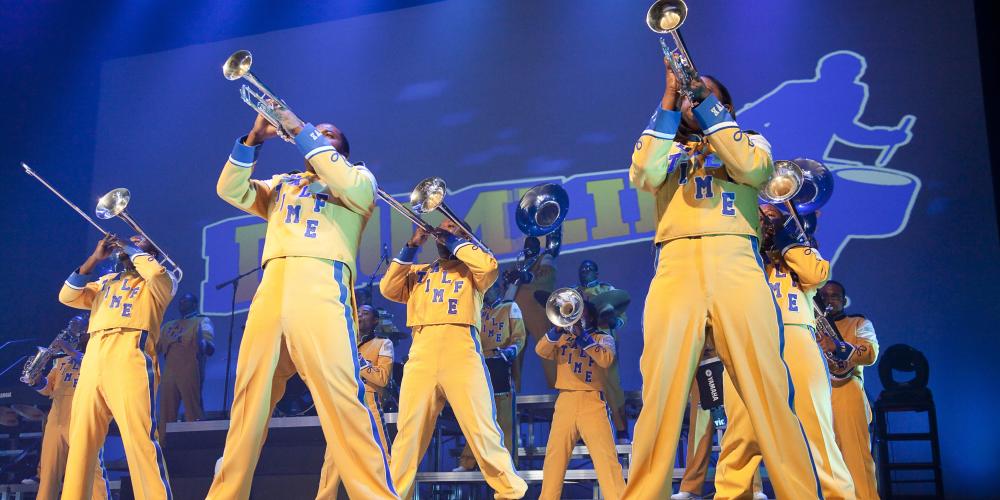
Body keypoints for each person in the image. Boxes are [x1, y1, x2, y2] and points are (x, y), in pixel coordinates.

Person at [622, 54, 821, 498]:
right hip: (675, 265)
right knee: (660, 395)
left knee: (768, 390)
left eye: (703, 89)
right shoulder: (666, 143)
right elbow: (643, 174)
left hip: (736, 261)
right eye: (690, 86)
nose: (694, 92)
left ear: (725, 104)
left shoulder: (750, 140)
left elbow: (754, 170)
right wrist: (670, 99)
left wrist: (706, 108)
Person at [208, 109, 396, 499]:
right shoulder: (284, 183)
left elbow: (352, 186)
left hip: (321, 283)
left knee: (342, 398)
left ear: (341, 149)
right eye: (316, 131)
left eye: (329, 134)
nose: (318, 134)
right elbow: (230, 190)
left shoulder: (358, 179)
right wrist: (253, 140)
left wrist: (301, 130)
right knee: (248, 401)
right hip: (272, 284)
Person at [714, 206, 855, 499]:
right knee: (741, 437)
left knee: (815, 433)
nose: (764, 217)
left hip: (795, 338)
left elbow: (816, 275)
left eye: (771, 214)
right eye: (762, 214)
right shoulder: (740, 252)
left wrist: (781, 233)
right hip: (746, 341)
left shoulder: (799, 250)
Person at [381, 220, 527, 499]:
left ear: (466, 237)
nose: (444, 231)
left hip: (461, 351)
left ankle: (510, 493)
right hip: (421, 351)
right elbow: (388, 288)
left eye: (454, 228)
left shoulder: (474, 270)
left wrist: (455, 241)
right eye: (442, 228)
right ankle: (394, 495)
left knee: (482, 429)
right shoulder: (419, 271)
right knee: (408, 435)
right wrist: (413, 245)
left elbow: (490, 267)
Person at [58, 234, 177, 500]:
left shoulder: (161, 280)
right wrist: (93, 259)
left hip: (130, 354)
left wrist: (130, 247)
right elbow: (67, 296)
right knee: (81, 443)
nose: (127, 241)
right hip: (94, 357)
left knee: (139, 440)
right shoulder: (104, 282)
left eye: (139, 240)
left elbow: (157, 275)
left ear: (150, 252)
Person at [536, 301, 625, 500]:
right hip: (565, 400)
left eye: (580, 313)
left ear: (591, 317)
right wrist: (557, 329)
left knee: (606, 460)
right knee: (554, 460)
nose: (574, 316)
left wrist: (582, 337)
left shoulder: (603, 338)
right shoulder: (561, 337)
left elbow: (606, 360)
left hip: (592, 401)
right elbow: (541, 350)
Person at [26, 315, 110, 500]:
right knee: (48, 473)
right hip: (56, 420)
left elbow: (95, 368)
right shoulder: (61, 360)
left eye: (78, 328)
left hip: (84, 418)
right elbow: (48, 389)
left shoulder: (100, 353)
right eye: (71, 326)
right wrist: (36, 379)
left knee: (92, 470)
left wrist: (68, 349)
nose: (74, 332)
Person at [317, 304, 395, 498]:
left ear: (375, 321)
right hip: (343, 401)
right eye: (357, 312)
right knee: (332, 459)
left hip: (369, 402)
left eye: (365, 313)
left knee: (382, 455)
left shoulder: (383, 343)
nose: (359, 316)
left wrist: (357, 361)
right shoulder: (345, 343)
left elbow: (382, 378)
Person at [818, 280, 881, 500]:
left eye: (834, 296)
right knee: (824, 462)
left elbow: (870, 353)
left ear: (844, 301)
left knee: (855, 458)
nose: (828, 300)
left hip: (847, 391)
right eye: (824, 296)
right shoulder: (809, 323)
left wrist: (838, 347)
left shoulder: (859, 323)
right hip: (818, 392)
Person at [455, 280, 526, 471]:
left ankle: (508, 464)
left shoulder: (510, 307)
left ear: (499, 288)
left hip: (500, 361)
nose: (487, 293)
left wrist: (511, 351)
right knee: (476, 415)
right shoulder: (478, 311)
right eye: (484, 290)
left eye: (490, 288)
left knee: (504, 418)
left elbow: (519, 337)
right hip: (479, 363)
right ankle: (468, 461)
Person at [575, 259, 629, 443]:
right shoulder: (575, 293)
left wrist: (614, 320)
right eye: (582, 269)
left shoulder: (607, 290)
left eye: (589, 269)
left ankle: (622, 432)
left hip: (604, 342)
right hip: (582, 344)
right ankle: (584, 431)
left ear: (596, 273)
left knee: (612, 386)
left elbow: (621, 315)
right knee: (584, 386)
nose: (585, 272)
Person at [157, 293, 215, 440]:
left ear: (194, 304)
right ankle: (164, 444)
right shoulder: (168, 326)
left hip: (190, 368)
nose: (181, 303)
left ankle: (197, 443)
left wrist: (204, 344)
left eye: (186, 300)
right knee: (166, 410)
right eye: (181, 301)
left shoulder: (201, 321)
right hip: (170, 371)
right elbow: (154, 347)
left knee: (193, 408)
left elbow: (209, 346)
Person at [510, 235, 559, 388]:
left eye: (532, 244)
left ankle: (558, 385)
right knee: (515, 351)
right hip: (517, 311)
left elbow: (547, 277)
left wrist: (527, 276)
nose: (529, 247)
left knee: (547, 348)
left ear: (538, 246)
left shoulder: (545, 257)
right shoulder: (520, 262)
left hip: (537, 308)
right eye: (527, 244)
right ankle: (513, 389)